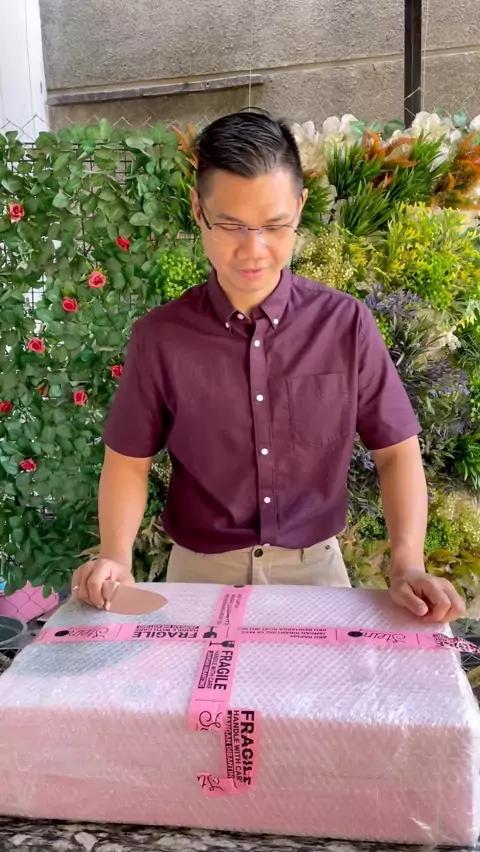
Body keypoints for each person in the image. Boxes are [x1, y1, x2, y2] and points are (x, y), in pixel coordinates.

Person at [72, 111, 464, 623]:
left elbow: (395, 451)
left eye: (276, 226)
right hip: (198, 578)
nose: (253, 250)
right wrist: (116, 557)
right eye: (231, 225)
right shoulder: (161, 337)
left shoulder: (345, 325)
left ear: (300, 207)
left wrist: (407, 563)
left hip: (315, 574)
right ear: (198, 210)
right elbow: (128, 461)